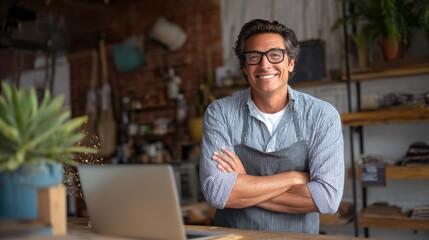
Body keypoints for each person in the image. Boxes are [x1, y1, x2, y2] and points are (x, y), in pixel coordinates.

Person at [199, 19, 344, 234]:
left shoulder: (321, 116)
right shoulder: (220, 113)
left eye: (275, 54)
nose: (265, 64)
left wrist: (244, 185)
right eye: (254, 57)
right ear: (244, 67)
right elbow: (218, 193)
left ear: (290, 62)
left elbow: (327, 199)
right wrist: (295, 177)